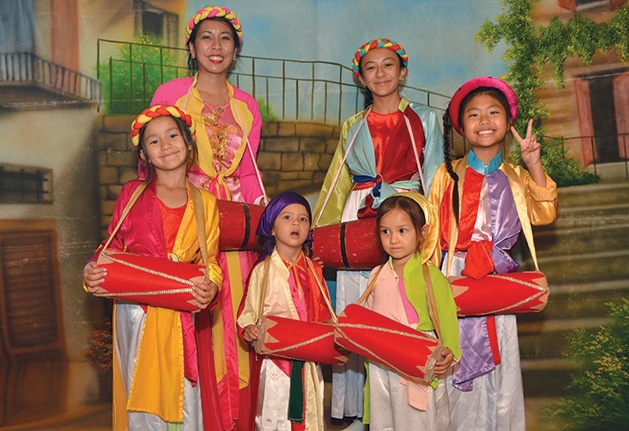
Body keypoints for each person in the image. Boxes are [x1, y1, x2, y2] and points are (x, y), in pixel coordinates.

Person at [311, 38, 444, 428]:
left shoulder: (424, 118)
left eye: (389, 65)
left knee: (402, 307)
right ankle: (356, 410)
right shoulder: (353, 125)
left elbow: (434, 175)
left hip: (405, 212)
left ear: (402, 72)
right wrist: (320, 234)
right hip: (361, 213)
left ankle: (407, 405)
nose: (381, 73)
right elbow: (337, 181)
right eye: (372, 68)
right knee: (359, 304)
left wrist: (431, 227)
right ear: (361, 78)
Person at [150, 6, 266, 430]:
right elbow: (154, 157)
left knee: (238, 316)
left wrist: (265, 225)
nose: (216, 47)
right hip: (187, 218)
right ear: (191, 46)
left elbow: (250, 171)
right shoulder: (171, 93)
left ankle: (237, 418)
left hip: (234, 224)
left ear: (236, 50)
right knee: (196, 312)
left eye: (225, 39)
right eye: (207, 38)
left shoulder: (247, 106)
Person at [428, 76, 559, 431]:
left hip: (498, 278)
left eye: (493, 112)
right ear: (460, 126)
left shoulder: (516, 176)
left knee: (501, 365)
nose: (484, 121)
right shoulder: (446, 174)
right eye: (474, 114)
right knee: (452, 356)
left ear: (507, 122)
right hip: (455, 276)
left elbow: (545, 213)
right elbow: (429, 234)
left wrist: (533, 164)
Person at [83, 105, 222, 430]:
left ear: (189, 144)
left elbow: (209, 261)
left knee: (186, 397)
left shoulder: (207, 203)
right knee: (139, 388)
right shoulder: (132, 194)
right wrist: (92, 270)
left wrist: (211, 286)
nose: (166, 145)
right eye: (154, 141)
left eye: (172, 135)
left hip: (182, 311)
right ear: (144, 154)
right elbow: (111, 248)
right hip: (138, 312)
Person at [363, 192, 461, 431]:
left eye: (402, 231)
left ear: (423, 232)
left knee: (419, 418)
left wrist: (451, 351)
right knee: (385, 416)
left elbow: (447, 317)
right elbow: (366, 318)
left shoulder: (432, 276)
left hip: (418, 357)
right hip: (382, 361)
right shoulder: (376, 275)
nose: (393, 239)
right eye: (385, 232)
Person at [237, 192, 333, 431]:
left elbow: (325, 314)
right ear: (271, 227)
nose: (295, 223)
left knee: (309, 419)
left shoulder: (315, 271)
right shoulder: (263, 270)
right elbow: (247, 313)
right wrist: (248, 329)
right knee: (274, 417)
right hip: (275, 364)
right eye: (287, 217)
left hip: (310, 362)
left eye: (303, 219)